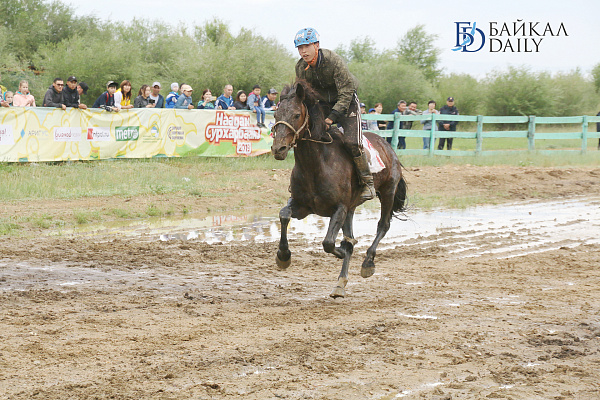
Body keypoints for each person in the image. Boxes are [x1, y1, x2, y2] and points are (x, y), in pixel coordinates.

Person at [294, 27, 374, 201]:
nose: (303, 51)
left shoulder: (333, 61)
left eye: (306, 46)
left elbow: (346, 92)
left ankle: (367, 181)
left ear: (316, 45)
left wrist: (332, 118)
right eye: (299, 48)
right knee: (311, 138)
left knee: (352, 142)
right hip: (322, 104)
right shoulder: (300, 67)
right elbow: (304, 94)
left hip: (347, 101)